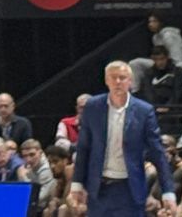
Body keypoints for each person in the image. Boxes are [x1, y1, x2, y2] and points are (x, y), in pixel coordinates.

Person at [70, 62, 172, 217]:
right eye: (113, 77)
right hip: (99, 188)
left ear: (130, 81)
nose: (118, 81)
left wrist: (168, 192)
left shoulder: (144, 111)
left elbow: (158, 153)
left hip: (129, 188)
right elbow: (83, 147)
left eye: (122, 78)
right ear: (106, 80)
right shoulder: (93, 106)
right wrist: (76, 184)